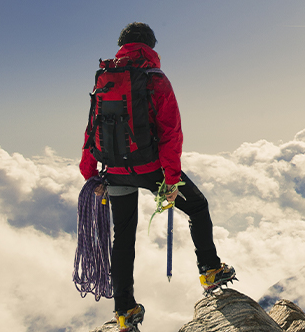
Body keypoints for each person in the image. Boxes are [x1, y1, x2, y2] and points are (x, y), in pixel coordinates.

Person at [79, 22, 236, 332]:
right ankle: (210, 269)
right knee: (198, 207)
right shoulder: (155, 79)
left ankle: (124, 311)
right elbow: (170, 133)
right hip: (151, 169)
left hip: (113, 172)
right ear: (151, 46)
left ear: (122, 45)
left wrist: (91, 176)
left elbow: (92, 128)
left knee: (122, 238)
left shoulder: (105, 78)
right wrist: (172, 181)